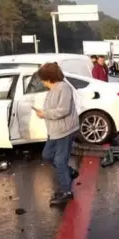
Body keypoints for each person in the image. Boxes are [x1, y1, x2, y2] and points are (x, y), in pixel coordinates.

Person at [33, 63, 80, 205]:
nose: (41, 82)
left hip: (65, 131)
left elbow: (63, 110)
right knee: (47, 155)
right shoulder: (52, 89)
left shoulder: (63, 88)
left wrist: (45, 114)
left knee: (60, 161)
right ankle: (69, 173)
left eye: (42, 79)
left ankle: (67, 191)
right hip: (54, 131)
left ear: (48, 77)